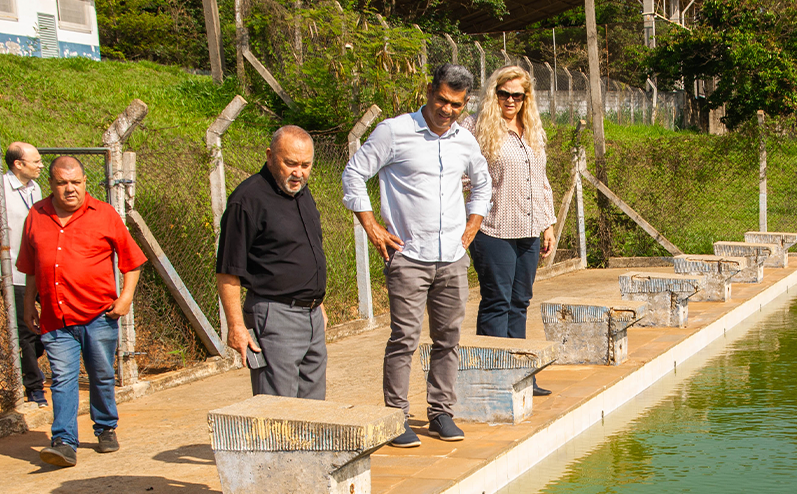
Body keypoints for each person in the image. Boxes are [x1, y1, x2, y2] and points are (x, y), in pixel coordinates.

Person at [342, 64, 492, 447]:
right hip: (408, 254)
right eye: (441, 99)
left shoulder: (464, 139)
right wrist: (372, 227)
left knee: (448, 338)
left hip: (453, 257)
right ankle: (397, 416)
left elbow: (483, 182)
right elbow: (354, 174)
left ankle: (440, 412)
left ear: (466, 103)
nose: (447, 110)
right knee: (404, 337)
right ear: (429, 91)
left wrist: (472, 225)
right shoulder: (395, 131)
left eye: (456, 104)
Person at [17, 156, 146, 468]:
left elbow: (133, 260)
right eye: (62, 183)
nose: (70, 189)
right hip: (54, 318)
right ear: (51, 185)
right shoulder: (36, 215)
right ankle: (63, 441)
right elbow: (31, 268)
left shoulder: (104, 214)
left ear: (85, 182)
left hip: (99, 315)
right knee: (62, 377)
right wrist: (27, 306)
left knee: (101, 374)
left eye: (76, 182)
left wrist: (126, 297)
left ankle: (105, 427)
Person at [216, 126, 328, 400]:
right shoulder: (247, 201)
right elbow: (228, 272)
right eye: (290, 163)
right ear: (269, 156)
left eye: (305, 165)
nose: (298, 172)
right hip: (275, 317)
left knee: (316, 410)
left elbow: (305, 253)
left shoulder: (301, 193)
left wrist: (318, 303)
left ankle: (310, 446)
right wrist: (236, 326)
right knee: (279, 409)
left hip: (312, 316)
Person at [467, 66, 558, 396]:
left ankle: (521, 376)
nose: (509, 100)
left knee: (520, 301)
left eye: (516, 95)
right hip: (494, 230)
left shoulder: (532, 130)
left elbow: (541, 182)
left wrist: (548, 225)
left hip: (530, 230)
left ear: (525, 98)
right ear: (494, 94)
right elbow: (465, 180)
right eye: (503, 93)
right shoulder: (479, 131)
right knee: (497, 302)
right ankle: (492, 378)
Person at [0, 142, 48, 406]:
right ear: (18, 164)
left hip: (38, 270)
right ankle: (33, 387)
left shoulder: (35, 188)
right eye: (35, 161)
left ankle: (22, 360)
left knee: (54, 324)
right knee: (26, 331)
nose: (40, 165)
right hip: (11, 272)